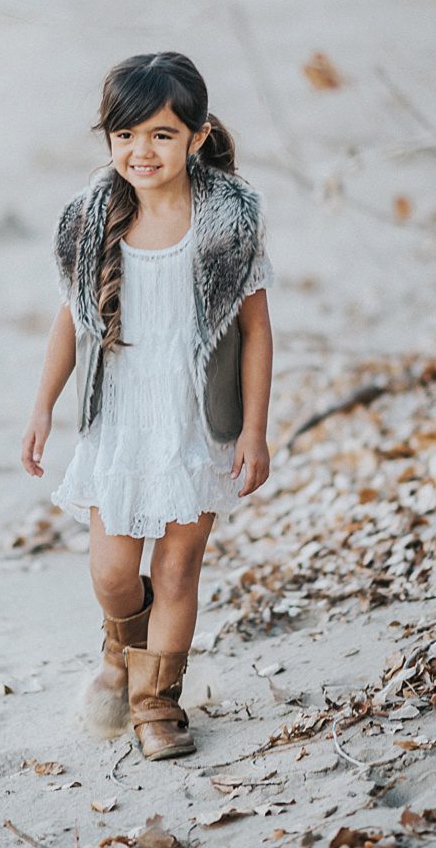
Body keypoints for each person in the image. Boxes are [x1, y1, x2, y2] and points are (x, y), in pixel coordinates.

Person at [22, 50, 274, 763]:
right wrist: (42, 408)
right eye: (126, 134)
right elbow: (70, 321)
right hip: (120, 422)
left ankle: (156, 702)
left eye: (162, 134)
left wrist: (254, 430)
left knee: (177, 570)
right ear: (109, 140)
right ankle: (120, 653)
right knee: (110, 571)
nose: (142, 150)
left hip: (195, 423)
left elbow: (256, 332)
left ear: (195, 137)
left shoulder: (227, 223)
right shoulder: (90, 220)